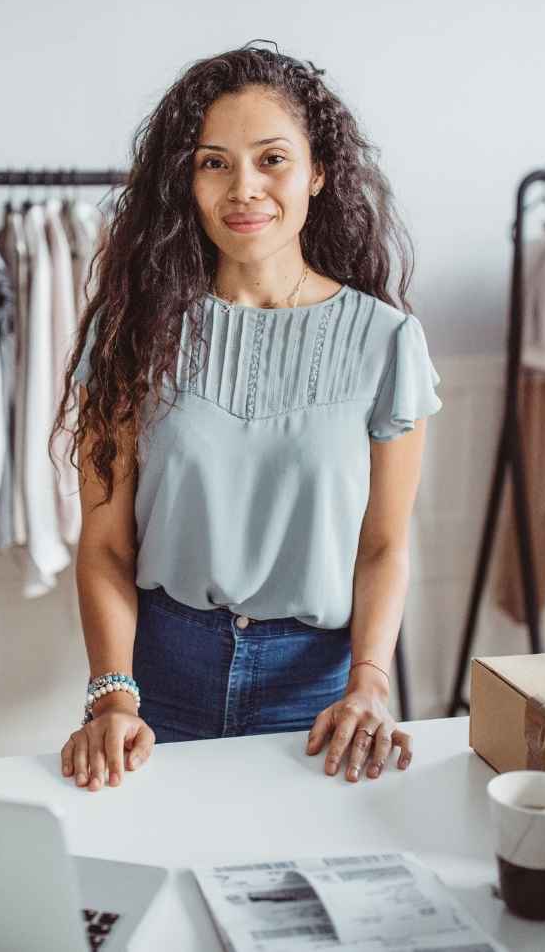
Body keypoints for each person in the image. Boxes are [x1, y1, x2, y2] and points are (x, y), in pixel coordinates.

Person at [52, 42, 442, 792]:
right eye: (214, 162)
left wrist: (369, 683)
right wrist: (112, 696)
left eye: (272, 159)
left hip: (320, 694)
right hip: (157, 680)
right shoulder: (131, 333)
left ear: (318, 172)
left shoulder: (387, 341)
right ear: (187, 182)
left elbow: (384, 545)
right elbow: (104, 546)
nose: (245, 188)